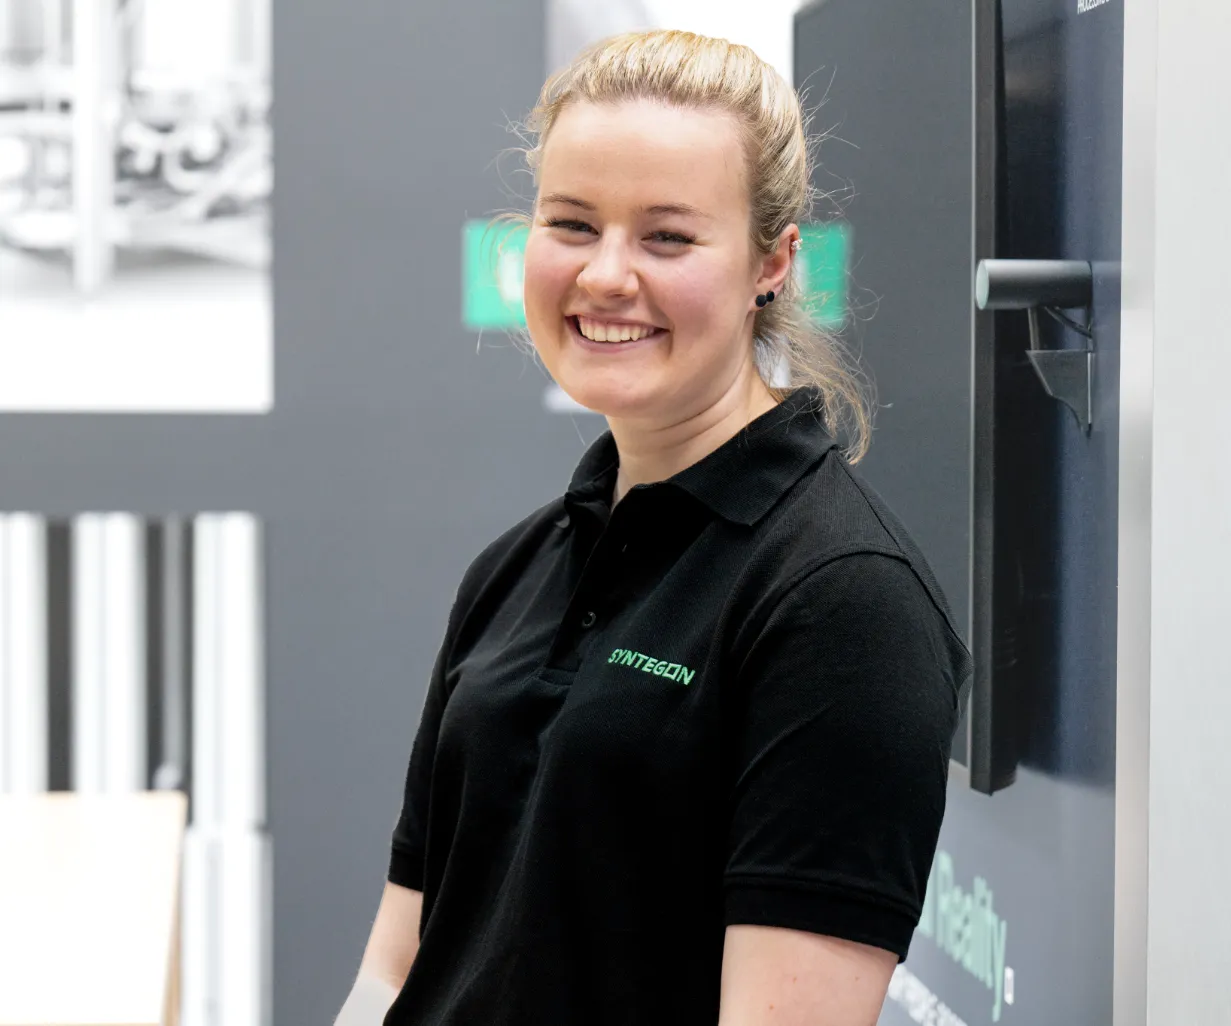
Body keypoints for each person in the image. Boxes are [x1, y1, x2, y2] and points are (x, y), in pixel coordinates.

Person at [335, 28, 972, 1026]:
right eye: (572, 224)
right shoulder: (514, 568)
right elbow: (398, 963)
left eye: (666, 237)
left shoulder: (845, 600)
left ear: (771, 260)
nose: (604, 277)